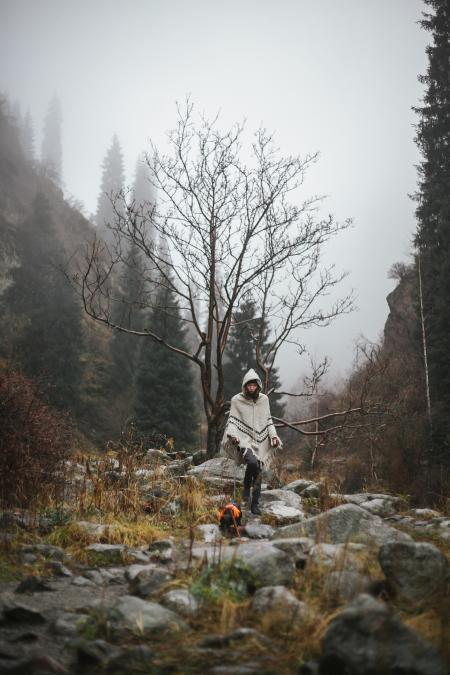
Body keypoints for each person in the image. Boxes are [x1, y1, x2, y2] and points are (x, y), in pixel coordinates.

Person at [221, 368, 282, 515]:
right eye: (249, 385)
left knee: (258, 473)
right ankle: (246, 488)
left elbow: (268, 421)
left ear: (258, 385)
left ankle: (255, 504)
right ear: (245, 386)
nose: (251, 388)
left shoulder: (264, 400)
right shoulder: (237, 400)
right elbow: (232, 422)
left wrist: (274, 436)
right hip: (244, 440)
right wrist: (233, 436)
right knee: (252, 462)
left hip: (260, 442)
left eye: (254, 385)